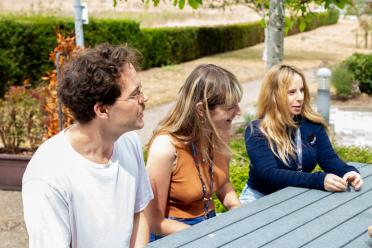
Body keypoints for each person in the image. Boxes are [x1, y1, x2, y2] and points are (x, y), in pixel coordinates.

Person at [22, 43, 153, 248]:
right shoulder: (47, 176)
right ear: (102, 109)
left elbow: (139, 215)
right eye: (135, 94)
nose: (145, 98)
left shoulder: (129, 142)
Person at [240, 64, 363, 203]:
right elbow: (270, 175)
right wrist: (319, 180)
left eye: (302, 90)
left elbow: (329, 160)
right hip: (259, 199)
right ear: (274, 95)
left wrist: (348, 172)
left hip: (296, 197)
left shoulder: (313, 125)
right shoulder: (257, 130)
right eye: (292, 92)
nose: (300, 97)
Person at [145, 64, 242, 240]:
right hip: (175, 236)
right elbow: (154, 222)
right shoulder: (165, 147)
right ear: (201, 109)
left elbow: (222, 182)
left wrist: (237, 209)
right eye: (230, 107)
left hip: (208, 228)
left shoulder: (217, 133)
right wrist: (204, 235)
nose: (238, 112)